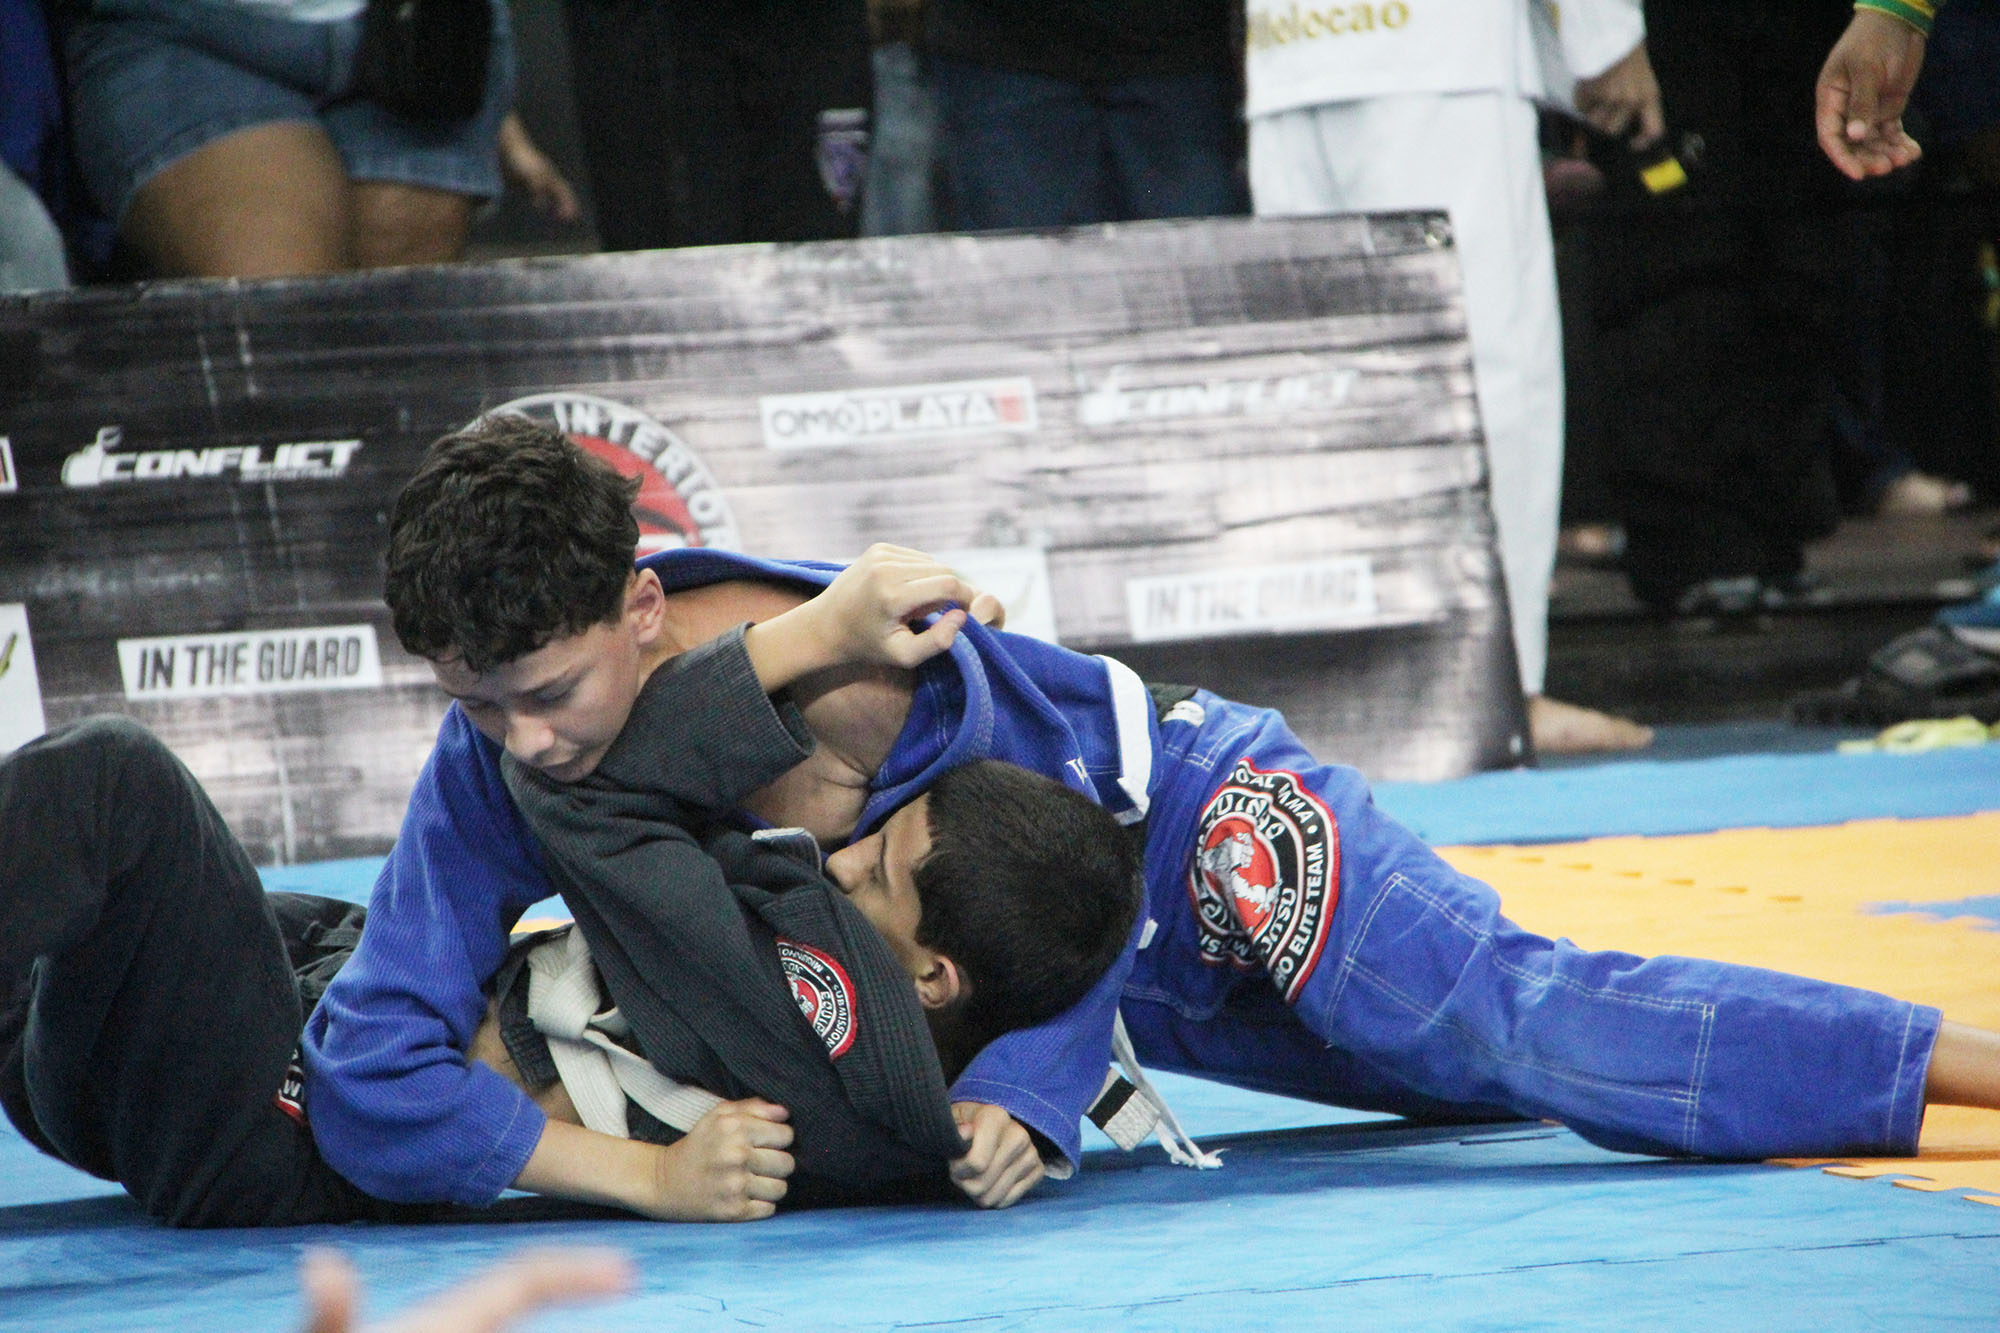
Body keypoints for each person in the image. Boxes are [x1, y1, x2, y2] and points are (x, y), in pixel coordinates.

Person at [313, 417, 1995, 1218]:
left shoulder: (862, 668)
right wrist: (636, 1173)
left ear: (641, 605)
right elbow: (366, 1075)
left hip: (1201, 839)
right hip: (1099, 983)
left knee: (1526, 1026)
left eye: (549, 691)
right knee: (1480, 1075)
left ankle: (1976, 1063)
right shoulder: (496, 768)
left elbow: (1097, 846)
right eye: (477, 702)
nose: (527, 742)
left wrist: (1035, 1087)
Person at [0, 511, 1131, 1222]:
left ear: (933, 975)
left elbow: (577, 802)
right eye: (483, 705)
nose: (837, 857)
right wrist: (1029, 1091)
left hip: (270, 1119)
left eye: (875, 860)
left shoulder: (820, 1013)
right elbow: (1095, 872)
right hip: (245, 1027)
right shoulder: (923, 1010)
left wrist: (816, 634)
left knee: (112, 784)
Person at [1241, 0, 1660, 754]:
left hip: (1291, 48)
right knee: (1486, 364)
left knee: (1325, 384)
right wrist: (1606, 35)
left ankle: (1351, 693)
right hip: (1434, 54)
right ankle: (1504, 688)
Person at [61, 0, 574, 278]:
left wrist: (502, 120)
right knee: (285, 340)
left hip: (419, 36)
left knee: (395, 352)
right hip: (191, 32)